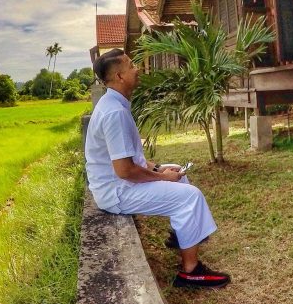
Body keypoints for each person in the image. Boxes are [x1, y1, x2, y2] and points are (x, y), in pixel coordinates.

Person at [84, 48, 230, 288]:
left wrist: (161, 169)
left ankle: (182, 236)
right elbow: (125, 171)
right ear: (120, 77)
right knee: (190, 197)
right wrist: (161, 178)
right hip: (116, 191)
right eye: (131, 65)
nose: (137, 68)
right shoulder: (114, 112)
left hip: (118, 183)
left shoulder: (114, 103)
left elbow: (130, 158)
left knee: (178, 173)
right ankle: (190, 272)